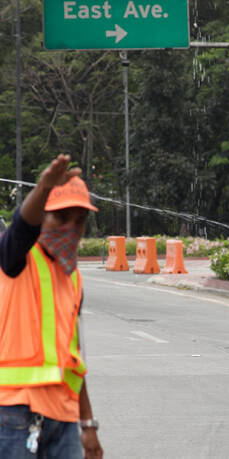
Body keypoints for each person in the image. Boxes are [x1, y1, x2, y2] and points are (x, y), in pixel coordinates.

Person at [0, 154, 103, 458]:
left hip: (64, 416)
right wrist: (44, 187)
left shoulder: (73, 278)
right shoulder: (15, 257)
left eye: (79, 220)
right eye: (61, 217)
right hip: (14, 413)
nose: (71, 227)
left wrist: (88, 424)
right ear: (41, 215)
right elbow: (22, 225)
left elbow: (74, 359)